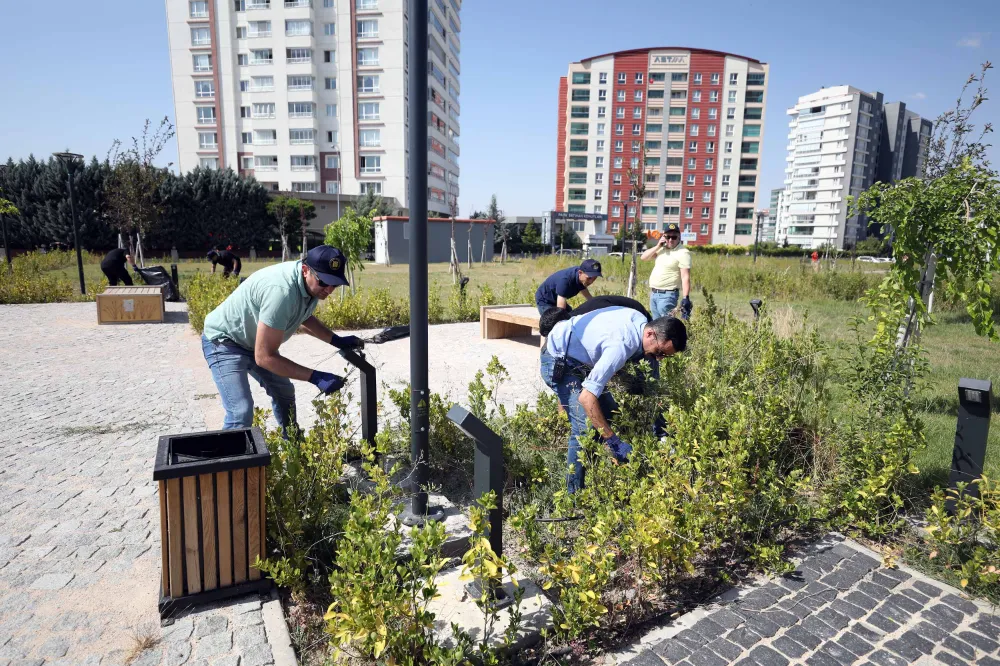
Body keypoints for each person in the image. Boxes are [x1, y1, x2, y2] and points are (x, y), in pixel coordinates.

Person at [201, 245, 365, 432]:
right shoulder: (282, 291)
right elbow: (264, 357)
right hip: (224, 342)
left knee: (284, 392)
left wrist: (336, 340)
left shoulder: (309, 286)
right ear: (305, 270)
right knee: (240, 413)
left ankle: (293, 444)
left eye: (334, 284)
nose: (328, 289)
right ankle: (227, 461)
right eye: (324, 282)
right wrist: (315, 377)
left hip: (252, 341)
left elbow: (303, 317)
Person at [539, 307, 687, 492]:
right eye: (659, 352)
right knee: (584, 428)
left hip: (581, 361)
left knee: (609, 413)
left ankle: (595, 471)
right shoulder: (621, 346)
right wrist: (613, 441)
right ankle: (574, 497)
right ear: (650, 333)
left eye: (664, 356)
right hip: (557, 360)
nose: (659, 359)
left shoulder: (640, 321)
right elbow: (587, 398)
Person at [641, 223, 691, 320]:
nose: (671, 240)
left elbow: (685, 277)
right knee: (656, 326)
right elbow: (643, 257)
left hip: (668, 295)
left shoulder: (683, 253)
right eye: (668, 237)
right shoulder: (661, 249)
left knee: (665, 326)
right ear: (664, 237)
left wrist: (686, 297)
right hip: (654, 294)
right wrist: (657, 246)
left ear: (679, 237)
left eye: (674, 237)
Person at [535, 258, 603, 315]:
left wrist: (596, 305)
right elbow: (560, 310)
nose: (591, 281)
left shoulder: (582, 278)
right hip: (545, 301)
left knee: (572, 315)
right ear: (580, 273)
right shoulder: (565, 280)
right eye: (589, 278)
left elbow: (585, 292)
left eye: (594, 278)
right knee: (553, 322)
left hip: (557, 299)